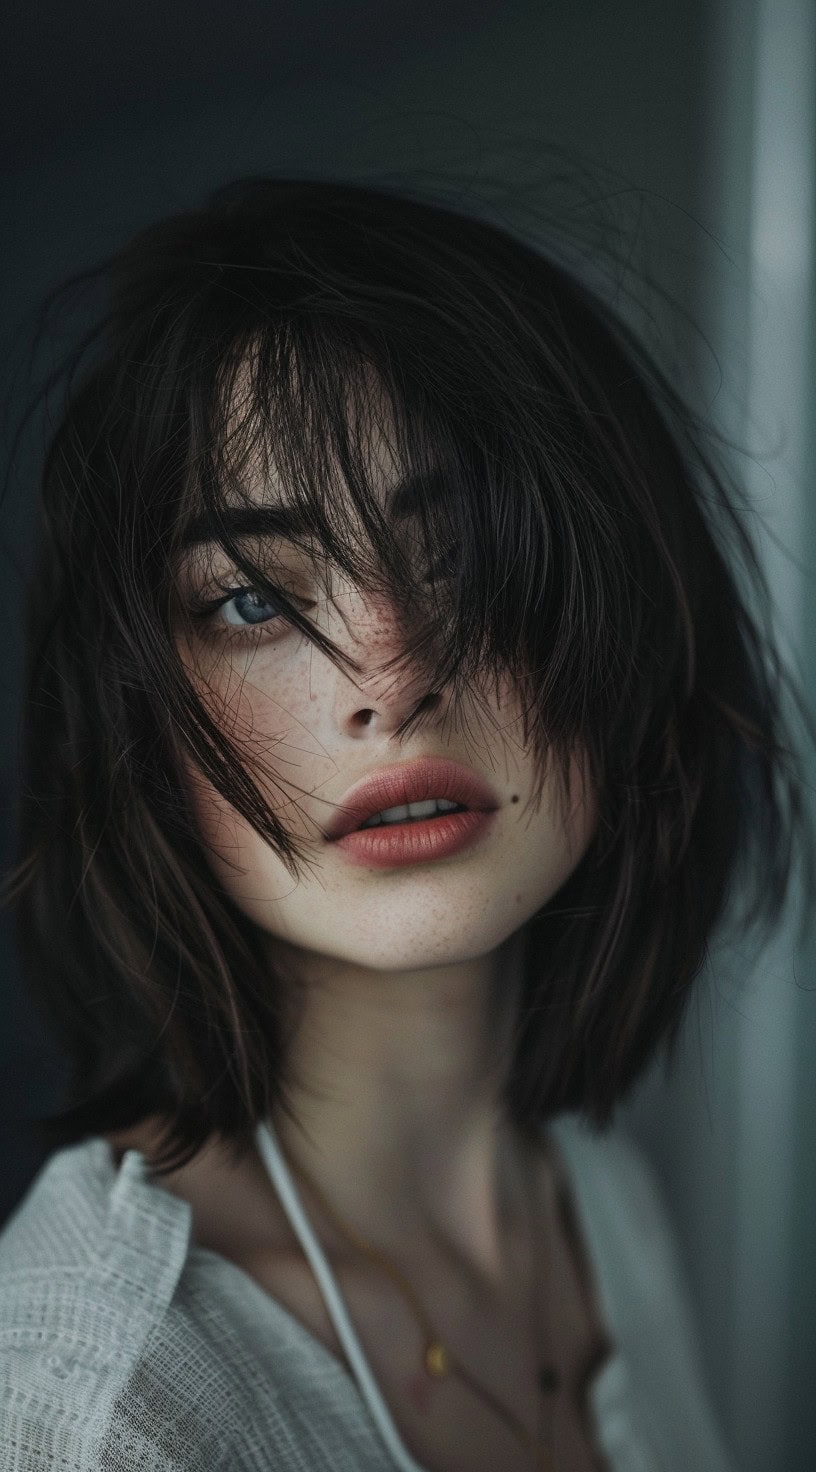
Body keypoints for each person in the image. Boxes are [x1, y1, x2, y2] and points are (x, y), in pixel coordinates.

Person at [0, 176, 810, 1472]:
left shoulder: (599, 1207)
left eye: (470, 557)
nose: (389, 672)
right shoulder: (104, 1402)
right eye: (255, 602)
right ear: (136, 732)